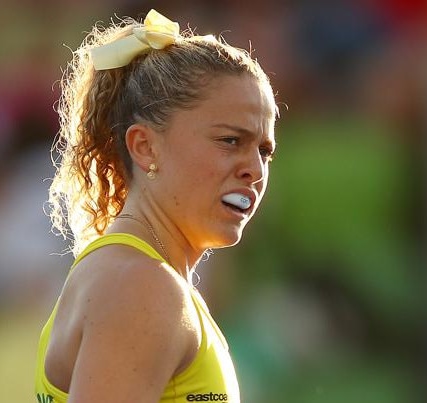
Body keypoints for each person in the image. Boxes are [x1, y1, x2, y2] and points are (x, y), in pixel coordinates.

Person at [35, 9, 278, 403]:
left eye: (264, 151)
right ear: (145, 147)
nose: (255, 170)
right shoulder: (141, 286)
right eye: (230, 141)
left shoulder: (137, 276)